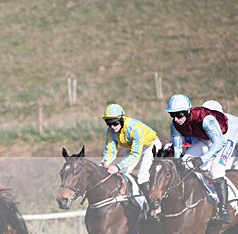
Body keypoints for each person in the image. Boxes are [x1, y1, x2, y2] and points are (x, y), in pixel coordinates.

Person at [168, 94, 238, 223]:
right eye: (173, 115)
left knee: (216, 170)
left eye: (179, 115)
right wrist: (177, 162)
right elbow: (177, 149)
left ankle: (223, 210)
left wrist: (202, 159)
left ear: (188, 111)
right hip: (204, 136)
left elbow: (219, 143)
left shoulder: (206, 120)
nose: (176, 119)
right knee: (186, 162)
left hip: (227, 135)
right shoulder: (175, 125)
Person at [99, 103, 162, 210]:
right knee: (123, 175)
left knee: (142, 177)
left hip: (150, 146)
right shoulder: (110, 131)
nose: (112, 127)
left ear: (122, 119)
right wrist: (103, 163)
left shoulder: (134, 128)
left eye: (114, 123)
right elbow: (110, 152)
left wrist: (117, 167)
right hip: (133, 147)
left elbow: (136, 155)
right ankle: (132, 203)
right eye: (108, 123)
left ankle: (153, 207)